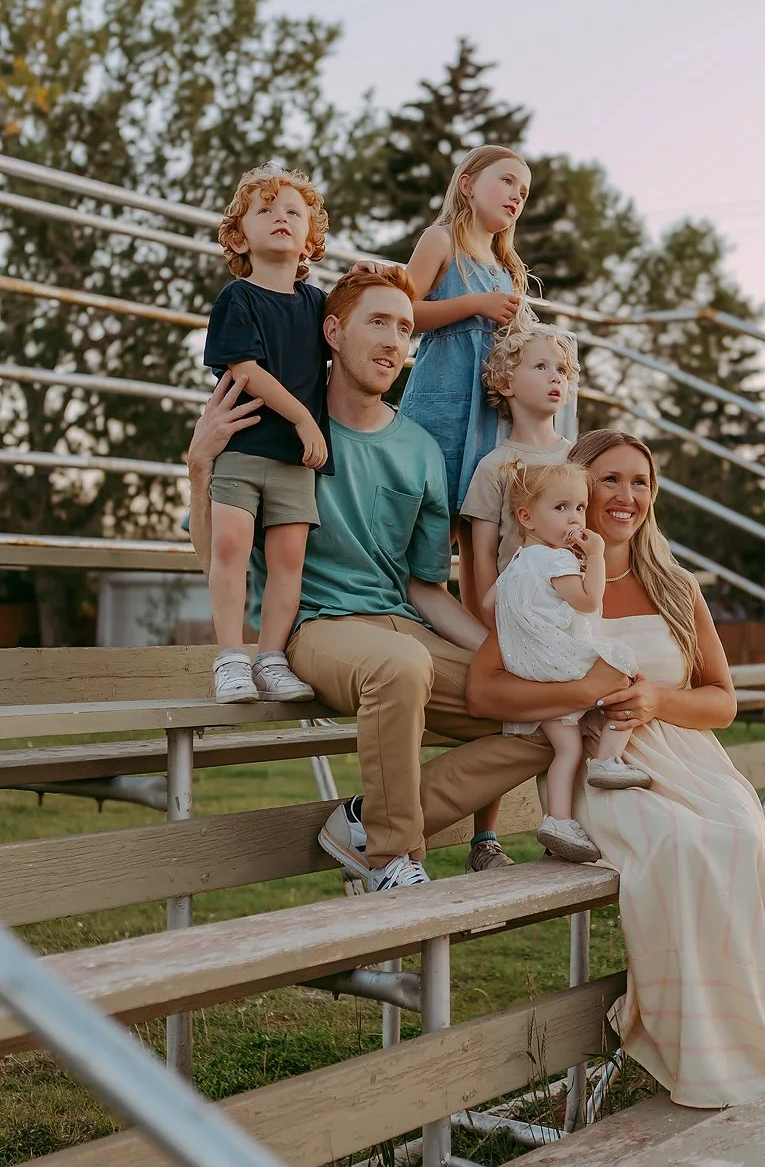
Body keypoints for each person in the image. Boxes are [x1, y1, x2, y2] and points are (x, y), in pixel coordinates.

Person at [187, 267, 618, 889]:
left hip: (405, 624)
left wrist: (507, 657)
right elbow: (214, 556)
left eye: (406, 328)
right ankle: (391, 860)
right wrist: (200, 463)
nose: (394, 342)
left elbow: (425, 589)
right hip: (318, 629)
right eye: (378, 323)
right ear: (332, 332)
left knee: (548, 708)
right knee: (398, 665)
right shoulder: (275, 433)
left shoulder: (418, 449)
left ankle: (368, 821)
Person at [467, 430, 765, 1109]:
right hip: (601, 763)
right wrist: (579, 694)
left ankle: (744, 1035)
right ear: (575, 491)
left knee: (737, 832)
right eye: (610, 481)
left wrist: (657, 698)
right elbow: (485, 692)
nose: (626, 497)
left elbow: (722, 701)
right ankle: (685, 1041)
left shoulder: (676, 586)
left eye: (641, 482)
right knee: (676, 843)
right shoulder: (541, 582)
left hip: (689, 755)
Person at [203, 164, 333, 704]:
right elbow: (244, 369)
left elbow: (357, 325)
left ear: (311, 238)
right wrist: (303, 416)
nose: (281, 217)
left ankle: (272, 657)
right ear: (240, 236)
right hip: (244, 446)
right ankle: (231, 657)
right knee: (230, 546)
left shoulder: (320, 304)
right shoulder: (239, 298)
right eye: (266, 209)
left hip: (295, 463)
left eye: (293, 212)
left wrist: (372, 276)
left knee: (288, 562)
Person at [489, 460, 650, 865]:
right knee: (623, 665)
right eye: (561, 508)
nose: (575, 518)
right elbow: (589, 600)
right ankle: (609, 758)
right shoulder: (555, 560)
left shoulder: (516, 564)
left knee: (566, 748)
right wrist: (593, 556)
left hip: (525, 669)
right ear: (527, 517)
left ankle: (557, 819)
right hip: (554, 662)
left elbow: (491, 604)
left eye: (579, 508)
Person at [399, 144, 531, 608]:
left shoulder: (506, 268)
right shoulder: (440, 241)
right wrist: (476, 305)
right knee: (434, 513)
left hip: (489, 412)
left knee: (482, 522)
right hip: (443, 403)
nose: (517, 195)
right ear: (468, 184)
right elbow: (405, 312)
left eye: (524, 190)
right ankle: (417, 611)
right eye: (507, 180)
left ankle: (480, 627)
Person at [460, 323, 577, 623]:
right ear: (505, 385)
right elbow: (482, 555)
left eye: (562, 370)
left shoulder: (578, 457)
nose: (556, 377)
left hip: (575, 607)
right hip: (519, 614)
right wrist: (489, 615)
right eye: (541, 366)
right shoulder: (492, 467)